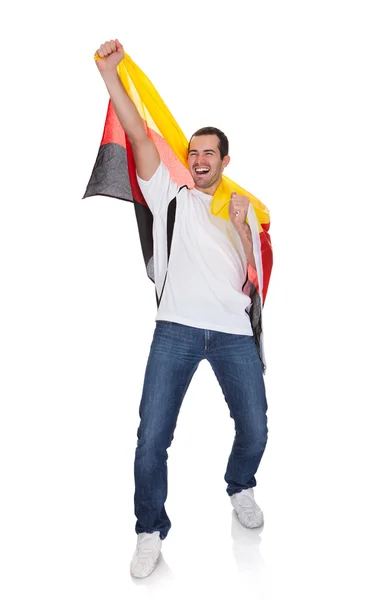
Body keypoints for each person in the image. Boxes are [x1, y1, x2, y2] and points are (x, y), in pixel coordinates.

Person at [95, 39, 268, 579]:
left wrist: (241, 223)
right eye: (192, 152)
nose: (197, 160)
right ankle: (149, 530)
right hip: (176, 330)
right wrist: (110, 74)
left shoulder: (244, 208)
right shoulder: (170, 190)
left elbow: (251, 273)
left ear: (225, 160)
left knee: (256, 427)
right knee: (152, 435)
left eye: (207, 154)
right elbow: (139, 129)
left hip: (233, 333)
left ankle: (240, 485)